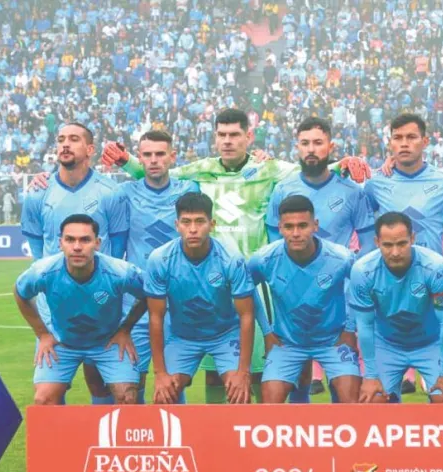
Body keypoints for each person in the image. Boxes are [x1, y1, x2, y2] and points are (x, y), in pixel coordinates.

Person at [103, 108, 370, 404]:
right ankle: (220, 440)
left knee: (261, 369)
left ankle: (270, 433)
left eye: (234, 135)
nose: (227, 141)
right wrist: (127, 161)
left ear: (249, 136)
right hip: (209, 284)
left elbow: (310, 169)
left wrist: (343, 164)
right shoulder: (200, 170)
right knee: (215, 373)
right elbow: (157, 171)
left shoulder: (268, 170)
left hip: (255, 284)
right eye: (222, 135)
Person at [266, 116, 376, 402]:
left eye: (317, 142)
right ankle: (300, 443)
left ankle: (342, 441)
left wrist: (353, 314)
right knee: (296, 380)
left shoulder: (352, 192)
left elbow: (366, 254)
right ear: (297, 148)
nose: (311, 149)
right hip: (294, 299)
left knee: (344, 384)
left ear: (331, 146)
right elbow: (274, 249)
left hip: (338, 302)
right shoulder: (282, 190)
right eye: (305, 143)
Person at [365, 113, 443, 394]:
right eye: (398, 138)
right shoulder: (376, 184)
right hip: (389, 288)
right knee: (381, 394)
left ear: (425, 141)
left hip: (434, 285)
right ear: (390, 143)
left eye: (411, 137)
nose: (404, 144)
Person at [20, 123, 126, 405]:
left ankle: (102, 447)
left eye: (74, 139)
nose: (65, 144)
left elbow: (118, 249)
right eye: (61, 139)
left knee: (101, 385)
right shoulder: (36, 193)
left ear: (90, 149)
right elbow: (38, 254)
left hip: (101, 305)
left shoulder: (110, 192)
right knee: (48, 395)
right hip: (54, 309)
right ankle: (59, 450)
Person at [99, 130, 199, 404]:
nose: (154, 160)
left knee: (173, 384)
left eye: (160, 154)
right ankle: (136, 444)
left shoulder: (188, 191)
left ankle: (176, 444)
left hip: (180, 302)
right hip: (137, 304)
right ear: (139, 158)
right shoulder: (124, 194)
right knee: (131, 387)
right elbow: (116, 253)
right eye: (147, 155)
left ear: (172, 157)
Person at [13, 214, 146, 406]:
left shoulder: (120, 272)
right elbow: (20, 293)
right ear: (60, 243)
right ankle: (62, 437)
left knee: (128, 396)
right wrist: (42, 334)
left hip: (107, 342)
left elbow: (147, 294)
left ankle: (110, 435)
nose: (77, 247)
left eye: (85, 240)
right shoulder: (43, 272)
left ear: (97, 243)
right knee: (43, 399)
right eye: (70, 240)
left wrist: (125, 329)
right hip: (61, 341)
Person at [145, 192, 256, 405]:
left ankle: (228, 438)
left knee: (239, 393)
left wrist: (243, 371)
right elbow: (156, 317)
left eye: (200, 222)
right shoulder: (160, 259)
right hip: (182, 336)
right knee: (165, 394)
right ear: (177, 225)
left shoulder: (231, 258)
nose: (193, 229)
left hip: (225, 334)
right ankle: (182, 438)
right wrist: (160, 373)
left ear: (212, 224)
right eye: (186, 222)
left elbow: (246, 315)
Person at [250, 195, 362, 403]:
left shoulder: (341, 258)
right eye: (289, 227)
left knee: (350, 399)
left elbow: (362, 287)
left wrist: (349, 328)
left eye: (302, 226)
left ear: (315, 226)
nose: (295, 233)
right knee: (270, 402)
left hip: (333, 341)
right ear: (280, 228)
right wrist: (267, 331)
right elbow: (244, 290)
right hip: (288, 343)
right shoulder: (264, 259)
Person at [348, 211, 443, 404]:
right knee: (373, 400)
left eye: (402, 243)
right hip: (386, 344)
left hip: (430, 343)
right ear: (377, 242)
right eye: (387, 245)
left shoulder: (436, 268)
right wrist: (370, 375)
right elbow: (365, 327)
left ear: (413, 239)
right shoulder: (362, 271)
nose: (395, 252)